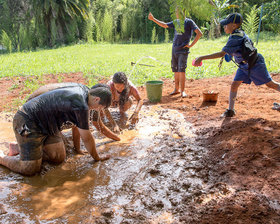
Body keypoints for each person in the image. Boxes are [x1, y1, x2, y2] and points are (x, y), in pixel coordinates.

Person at [0, 84, 112, 176]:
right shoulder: (81, 105)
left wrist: (77, 149)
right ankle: (2, 158)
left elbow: (77, 127)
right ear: (97, 99)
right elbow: (87, 138)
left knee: (58, 157)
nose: (96, 110)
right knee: (30, 169)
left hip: (48, 125)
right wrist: (97, 158)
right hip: (29, 121)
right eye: (99, 107)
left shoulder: (87, 91)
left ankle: (20, 149)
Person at [194, 13, 280, 117]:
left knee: (270, 84)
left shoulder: (235, 37)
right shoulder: (238, 33)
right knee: (234, 85)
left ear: (234, 26)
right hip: (244, 64)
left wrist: (201, 57)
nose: (224, 26)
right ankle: (230, 110)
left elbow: (221, 53)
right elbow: (240, 48)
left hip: (255, 64)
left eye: (226, 24)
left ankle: (231, 110)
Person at [26, 82, 120, 155]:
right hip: (37, 106)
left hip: (39, 103)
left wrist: (77, 149)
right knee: (60, 151)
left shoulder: (88, 96)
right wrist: (118, 139)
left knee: (63, 144)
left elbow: (78, 125)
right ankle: (24, 147)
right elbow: (97, 126)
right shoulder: (87, 102)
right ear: (98, 97)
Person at [148, 7, 202, 98]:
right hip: (174, 49)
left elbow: (199, 33)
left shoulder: (189, 22)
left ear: (183, 12)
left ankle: (183, 91)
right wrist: (153, 19)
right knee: (176, 70)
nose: (176, 14)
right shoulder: (176, 22)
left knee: (181, 70)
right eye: (176, 12)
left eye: (178, 12)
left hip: (183, 50)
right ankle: (176, 89)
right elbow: (164, 25)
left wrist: (191, 45)